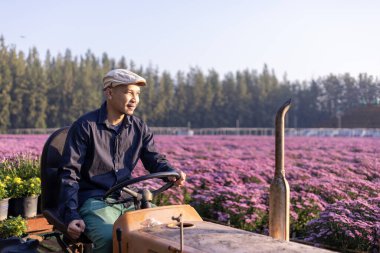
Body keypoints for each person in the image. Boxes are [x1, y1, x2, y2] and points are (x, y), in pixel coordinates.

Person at [57, 69, 186, 253]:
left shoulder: (139, 128)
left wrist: (171, 172)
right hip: (94, 200)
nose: (135, 99)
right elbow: (69, 173)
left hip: (128, 199)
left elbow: (154, 159)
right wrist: (71, 215)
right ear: (109, 93)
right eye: (129, 92)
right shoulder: (85, 127)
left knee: (164, 233)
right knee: (112, 239)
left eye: (138, 94)